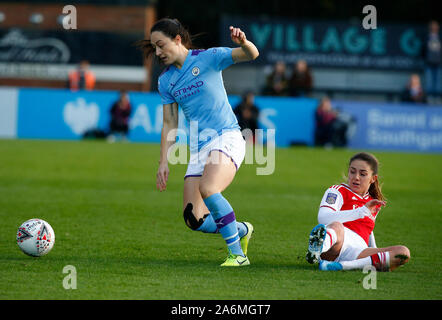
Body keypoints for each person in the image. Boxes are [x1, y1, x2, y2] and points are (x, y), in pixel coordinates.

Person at [136, 18, 259, 266]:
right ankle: (242, 230)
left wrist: (244, 42)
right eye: (155, 47)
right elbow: (169, 123)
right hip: (201, 147)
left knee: (209, 188)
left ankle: (238, 255)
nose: (158, 52)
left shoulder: (209, 57)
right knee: (195, 219)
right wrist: (163, 162)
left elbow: (252, 54)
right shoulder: (166, 81)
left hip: (227, 137)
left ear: (177, 39)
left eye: (161, 45)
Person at [306, 152, 410, 272]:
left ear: (373, 178)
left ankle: (341, 266)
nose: (356, 177)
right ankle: (317, 250)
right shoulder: (337, 191)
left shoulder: (373, 202)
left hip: (359, 251)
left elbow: (368, 230)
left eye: (363, 174)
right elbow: (323, 218)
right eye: (352, 171)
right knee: (336, 226)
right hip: (336, 245)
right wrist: (361, 211)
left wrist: (375, 250)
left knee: (403, 252)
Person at [422, 20, 441, 97]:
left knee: (438, 82)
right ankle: (429, 98)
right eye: (432, 26)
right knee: (429, 82)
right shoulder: (426, 37)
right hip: (429, 63)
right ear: (430, 28)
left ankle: (438, 98)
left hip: (439, 63)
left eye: (435, 26)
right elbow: (423, 50)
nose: (434, 28)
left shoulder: (440, 37)